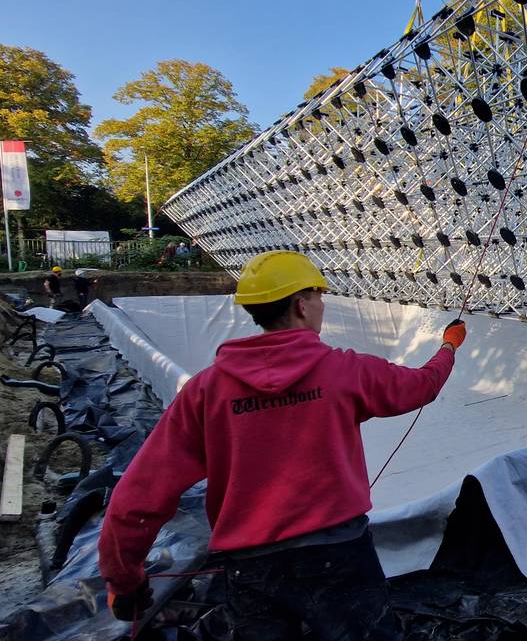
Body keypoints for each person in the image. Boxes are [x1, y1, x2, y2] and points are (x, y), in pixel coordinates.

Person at [98, 250, 467, 639]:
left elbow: (140, 495)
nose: (323, 305)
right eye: (319, 296)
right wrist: (448, 346)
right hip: (339, 554)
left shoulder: (206, 391)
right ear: (301, 305)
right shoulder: (345, 370)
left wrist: (123, 581)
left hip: (251, 566)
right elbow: (421, 386)